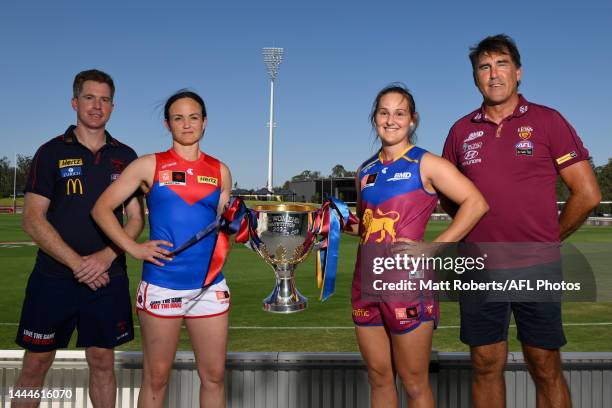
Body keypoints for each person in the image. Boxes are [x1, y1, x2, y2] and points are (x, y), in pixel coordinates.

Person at [441, 34, 602, 408]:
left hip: (536, 264)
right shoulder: (460, 131)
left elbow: (588, 193)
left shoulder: (548, 121)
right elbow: (448, 194)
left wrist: (550, 239)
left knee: (544, 363)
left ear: (518, 72)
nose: (493, 74)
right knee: (484, 363)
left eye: (501, 64)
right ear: (475, 77)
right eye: (484, 66)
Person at [349, 83, 489, 407]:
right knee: (379, 379)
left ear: (412, 120)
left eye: (400, 113)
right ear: (375, 119)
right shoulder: (364, 170)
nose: (391, 119)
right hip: (366, 284)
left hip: (407, 284)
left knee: (414, 384)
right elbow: (365, 225)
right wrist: (325, 225)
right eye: (384, 113)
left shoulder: (425, 163)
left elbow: (476, 203)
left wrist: (434, 247)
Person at [92, 90, 232, 408]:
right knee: (156, 378)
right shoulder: (148, 165)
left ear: (205, 122)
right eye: (178, 118)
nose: (186, 124)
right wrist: (132, 247)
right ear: (167, 124)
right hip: (162, 286)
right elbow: (102, 208)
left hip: (209, 288)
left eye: (193, 117)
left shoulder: (220, 170)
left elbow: (225, 222)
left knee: (214, 377)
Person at [14, 69, 144, 408]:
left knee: (102, 363)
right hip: (53, 277)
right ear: (75, 102)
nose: (96, 106)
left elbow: (135, 220)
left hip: (107, 278)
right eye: (89, 97)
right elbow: (32, 219)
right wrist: (77, 264)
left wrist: (103, 258)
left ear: (113, 107)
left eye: (104, 100)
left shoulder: (126, 156)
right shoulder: (50, 152)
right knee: (35, 364)